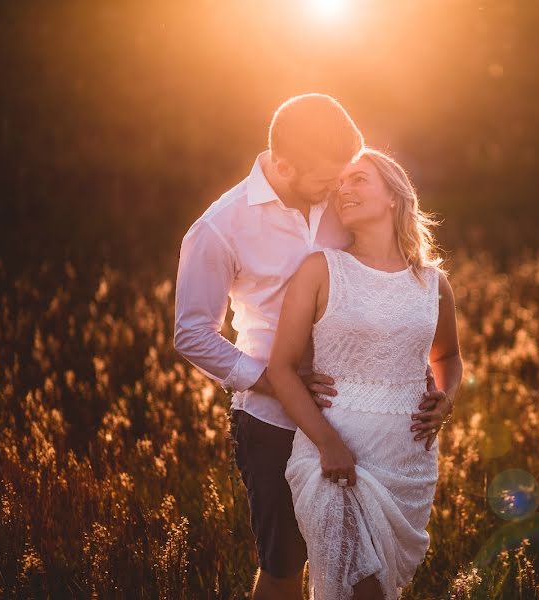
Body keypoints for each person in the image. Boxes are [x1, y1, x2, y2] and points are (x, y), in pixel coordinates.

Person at [174, 94, 455, 600]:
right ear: (284, 166)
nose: (338, 190)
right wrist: (273, 381)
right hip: (270, 419)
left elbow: (387, 283)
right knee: (284, 565)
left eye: (348, 177)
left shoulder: (341, 198)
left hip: (365, 424)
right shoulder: (220, 227)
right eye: (330, 181)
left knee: (356, 569)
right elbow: (192, 333)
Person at [266, 148, 462, 599]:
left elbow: (448, 355)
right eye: (341, 184)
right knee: (360, 587)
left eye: (359, 180)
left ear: (394, 196)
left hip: (405, 462)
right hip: (332, 458)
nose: (344, 190)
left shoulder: (432, 283)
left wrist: (446, 398)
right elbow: (281, 369)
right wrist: (328, 444)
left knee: (378, 588)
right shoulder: (321, 269)